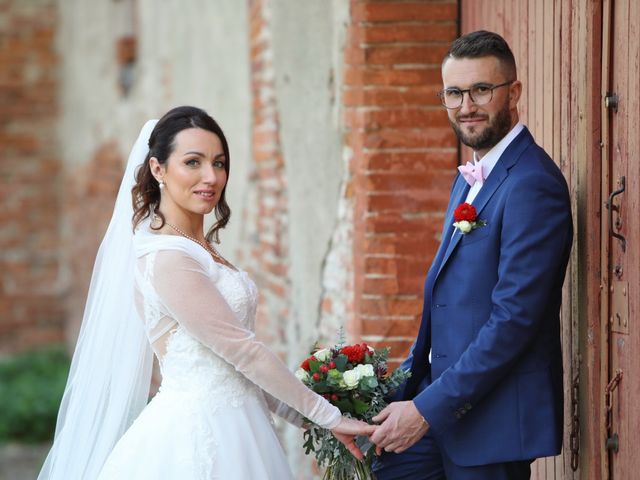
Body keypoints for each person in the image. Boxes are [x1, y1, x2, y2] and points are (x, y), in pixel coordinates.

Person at [38, 106, 374, 479]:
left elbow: (233, 363)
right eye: (193, 162)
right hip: (200, 434)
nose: (210, 177)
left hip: (241, 422)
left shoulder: (198, 249)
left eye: (219, 163)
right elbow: (243, 351)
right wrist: (326, 415)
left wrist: (312, 418)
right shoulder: (168, 258)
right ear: (158, 169)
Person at [370, 31, 573, 480]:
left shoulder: (532, 184)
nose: (467, 106)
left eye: (482, 89)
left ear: (513, 92)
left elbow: (514, 319)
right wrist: (397, 388)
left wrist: (425, 410)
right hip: (440, 405)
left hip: (490, 422)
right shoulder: (470, 177)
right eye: (454, 93)